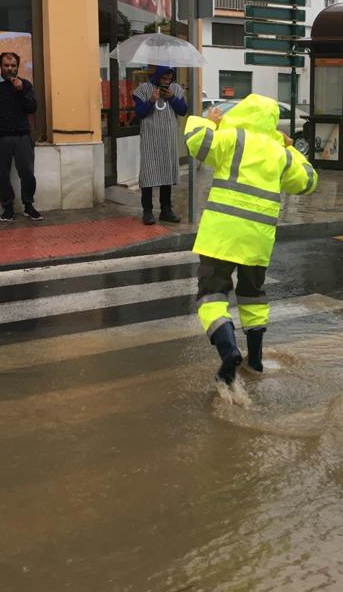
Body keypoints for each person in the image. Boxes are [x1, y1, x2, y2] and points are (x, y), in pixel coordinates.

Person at [183, 94, 317, 384]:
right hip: (258, 240)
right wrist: (290, 149)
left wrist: (208, 122)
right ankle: (255, 361)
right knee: (253, 297)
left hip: (222, 236)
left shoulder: (232, 138)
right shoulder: (278, 152)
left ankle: (229, 351)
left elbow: (197, 142)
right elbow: (308, 181)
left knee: (212, 295)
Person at [0, 51, 41, 222]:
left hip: (22, 136)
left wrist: (20, 90)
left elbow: (32, 108)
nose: (10, 69)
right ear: (0, 66)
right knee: (3, 175)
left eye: (13, 66)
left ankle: (29, 206)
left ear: (17, 67)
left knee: (27, 173)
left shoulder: (25, 84)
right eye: (6, 65)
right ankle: (8, 208)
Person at [133, 66, 188, 225]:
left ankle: (166, 210)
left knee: (166, 174)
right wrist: (151, 100)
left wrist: (172, 98)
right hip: (150, 139)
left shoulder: (175, 89)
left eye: (169, 79)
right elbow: (139, 113)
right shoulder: (143, 89)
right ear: (157, 76)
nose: (166, 82)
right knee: (148, 175)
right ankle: (147, 211)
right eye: (164, 79)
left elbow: (183, 111)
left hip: (168, 139)